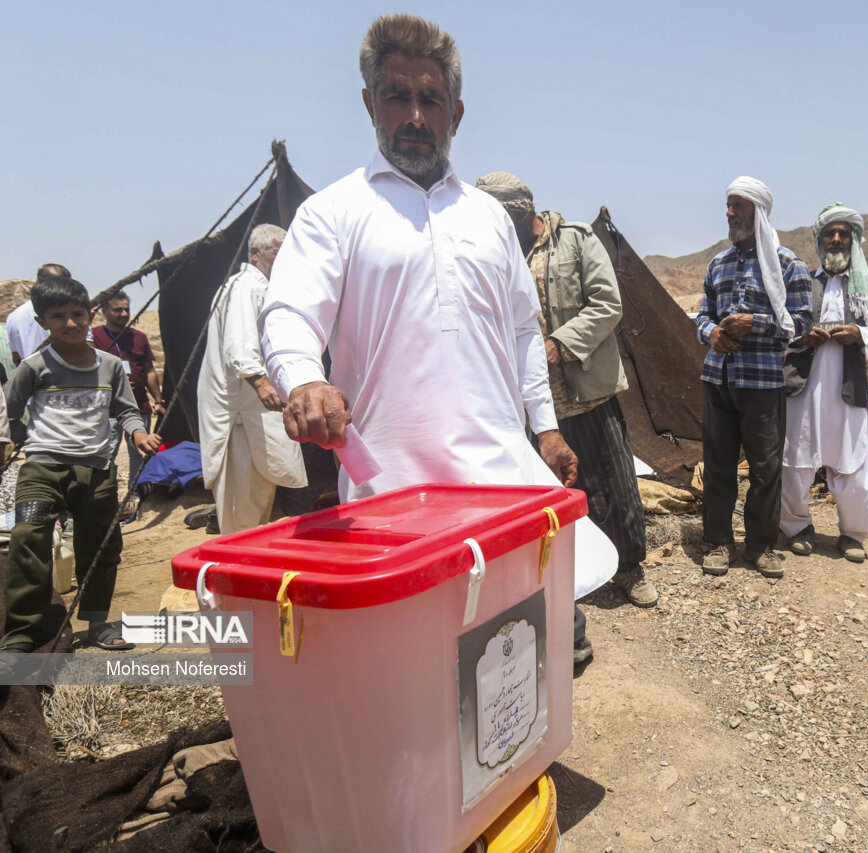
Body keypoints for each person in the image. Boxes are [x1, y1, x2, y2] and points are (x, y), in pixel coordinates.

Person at [258, 17, 599, 660]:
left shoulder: (489, 219)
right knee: (415, 665)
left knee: (515, 653)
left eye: (431, 100)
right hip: (394, 495)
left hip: (502, 485)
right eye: (397, 96)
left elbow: (525, 329)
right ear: (369, 104)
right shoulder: (333, 212)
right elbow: (288, 311)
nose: (415, 116)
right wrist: (303, 377)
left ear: (457, 113)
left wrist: (546, 428)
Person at [475, 171, 656, 610]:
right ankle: (577, 574)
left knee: (614, 481)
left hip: (584, 388)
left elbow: (607, 303)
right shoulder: (493, 253)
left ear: (520, 214)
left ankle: (630, 568)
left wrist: (561, 343)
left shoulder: (573, 241)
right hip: (530, 405)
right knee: (558, 489)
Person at [1, 275, 162, 658]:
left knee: (103, 546)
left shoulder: (110, 366)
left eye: (77, 314)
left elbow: (126, 409)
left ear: (90, 315)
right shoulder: (34, 366)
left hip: (98, 470)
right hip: (43, 468)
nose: (70, 324)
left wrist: (138, 433)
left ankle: (98, 624)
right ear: (42, 321)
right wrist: (17, 439)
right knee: (28, 539)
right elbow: (12, 409)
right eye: (59, 316)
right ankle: (22, 632)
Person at [695, 177, 813, 579]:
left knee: (765, 469)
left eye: (738, 206)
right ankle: (718, 542)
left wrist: (756, 324)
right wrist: (711, 333)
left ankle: (761, 546)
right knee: (718, 466)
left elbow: (801, 324)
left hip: (763, 385)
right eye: (727, 205)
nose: (729, 213)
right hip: (718, 380)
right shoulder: (718, 264)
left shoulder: (788, 264)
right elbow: (702, 316)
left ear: (758, 212)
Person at [781, 204, 868, 563]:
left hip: (849, 390)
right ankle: (797, 528)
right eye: (830, 233)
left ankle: (853, 534)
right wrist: (802, 337)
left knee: (854, 464)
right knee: (796, 461)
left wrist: (861, 333)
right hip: (804, 390)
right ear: (820, 240)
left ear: (853, 240)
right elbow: (782, 330)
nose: (837, 239)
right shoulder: (801, 284)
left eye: (844, 233)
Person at [197, 224, 307, 534]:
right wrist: (259, 380)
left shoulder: (262, 287)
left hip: (254, 414)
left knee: (257, 496)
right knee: (241, 502)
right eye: (277, 251)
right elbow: (239, 343)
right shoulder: (247, 286)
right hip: (238, 414)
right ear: (256, 253)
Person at [91, 291, 164, 513]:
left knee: (138, 451)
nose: (123, 314)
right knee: (107, 451)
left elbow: (149, 370)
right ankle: (104, 496)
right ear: (104, 311)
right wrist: (110, 386)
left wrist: (158, 399)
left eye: (126, 309)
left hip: (138, 406)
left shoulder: (138, 338)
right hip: (108, 409)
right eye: (117, 310)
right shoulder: (93, 338)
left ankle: (135, 493)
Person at [7, 264, 73, 364]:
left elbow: (16, 359)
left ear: (37, 281)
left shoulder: (14, 316)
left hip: (32, 375)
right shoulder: (72, 313)